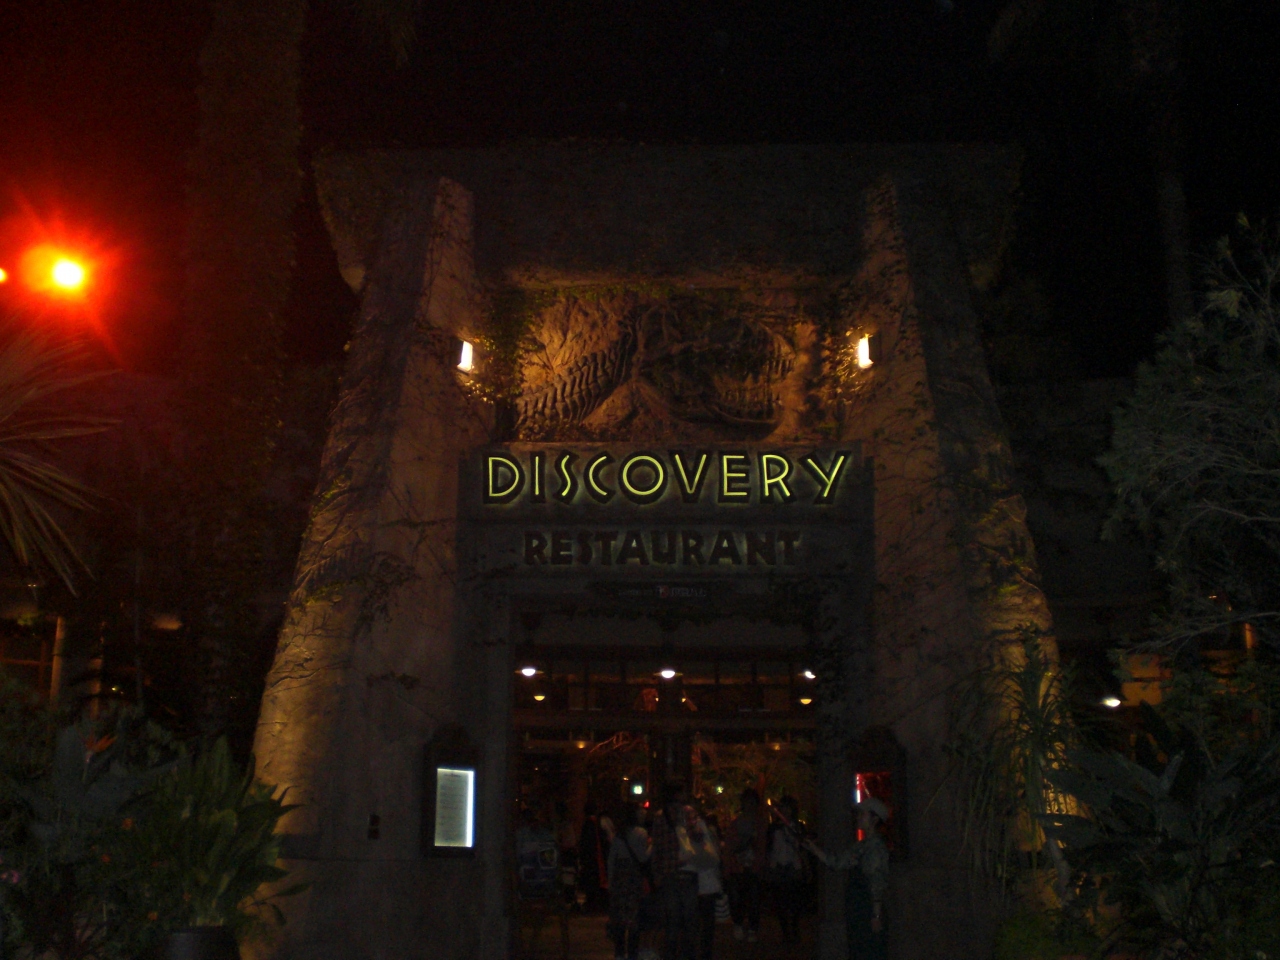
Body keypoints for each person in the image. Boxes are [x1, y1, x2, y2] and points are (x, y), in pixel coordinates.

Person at [802, 797, 891, 960]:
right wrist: (814, 849)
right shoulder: (863, 845)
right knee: (859, 948)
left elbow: (877, 882)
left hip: (866, 907)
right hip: (859, 906)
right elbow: (837, 862)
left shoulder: (875, 847)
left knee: (869, 950)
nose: (858, 817)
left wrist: (876, 914)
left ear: (874, 819)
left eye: (862, 814)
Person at [650, 783, 700, 960]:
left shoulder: (659, 816)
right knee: (689, 920)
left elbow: (656, 848)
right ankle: (688, 954)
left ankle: (670, 954)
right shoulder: (688, 812)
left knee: (672, 919)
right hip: (688, 870)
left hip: (668, 873)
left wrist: (656, 874)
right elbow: (697, 836)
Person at [608, 803, 653, 960]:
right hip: (633, 878)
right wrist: (652, 846)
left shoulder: (619, 834)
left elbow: (611, 860)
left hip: (620, 879)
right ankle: (632, 953)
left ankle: (620, 952)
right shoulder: (641, 833)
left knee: (620, 918)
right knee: (634, 919)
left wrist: (610, 882)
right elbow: (643, 857)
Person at [722, 788, 766, 943]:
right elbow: (729, 847)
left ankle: (752, 927)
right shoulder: (736, 824)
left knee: (754, 899)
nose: (750, 805)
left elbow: (762, 847)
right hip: (737, 866)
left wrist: (759, 865)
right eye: (747, 802)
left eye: (752, 802)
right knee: (736, 898)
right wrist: (728, 867)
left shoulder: (760, 824)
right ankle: (738, 923)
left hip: (753, 866)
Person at [766, 795, 805, 943]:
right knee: (780, 901)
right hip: (778, 866)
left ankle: (794, 928)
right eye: (783, 807)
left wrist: (805, 867)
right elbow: (769, 848)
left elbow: (801, 846)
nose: (785, 810)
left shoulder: (797, 827)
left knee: (794, 901)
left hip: (793, 866)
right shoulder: (773, 828)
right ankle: (785, 932)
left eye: (788, 808)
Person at [690, 803, 722, 960]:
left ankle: (703, 952)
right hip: (703, 882)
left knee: (703, 921)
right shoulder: (705, 831)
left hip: (703, 882)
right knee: (704, 922)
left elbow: (712, 856)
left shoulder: (702, 830)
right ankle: (703, 951)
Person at [580, 800, 611, 912]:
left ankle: (593, 903)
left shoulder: (589, 824)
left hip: (592, 859)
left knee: (593, 881)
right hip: (599, 858)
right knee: (599, 881)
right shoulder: (598, 823)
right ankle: (600, 903)